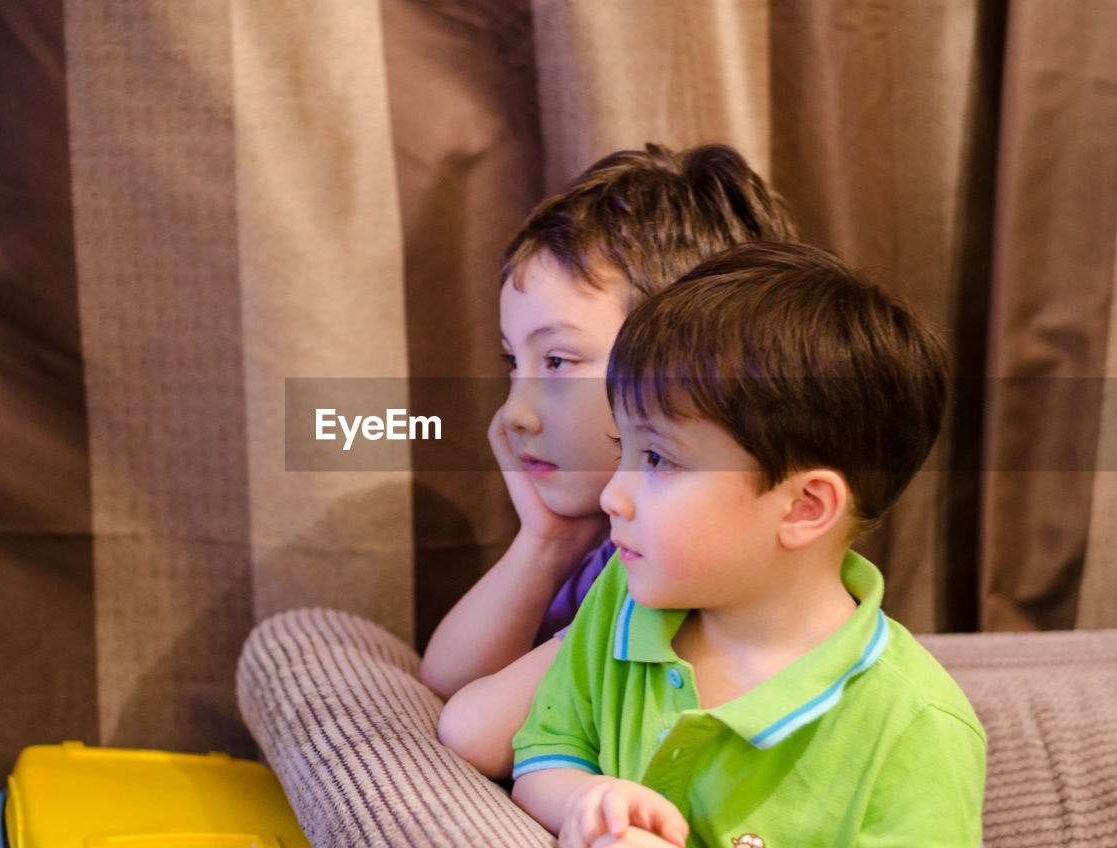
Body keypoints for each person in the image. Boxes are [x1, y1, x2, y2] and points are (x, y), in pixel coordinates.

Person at [510, 242, 986, 848]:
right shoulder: (622, 602)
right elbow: (546, 750)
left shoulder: (916, 728)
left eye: (656, 458)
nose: (613, 495)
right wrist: (589, 801)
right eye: (620, 448)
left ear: (805, 508)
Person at [419, 143, 797, 777]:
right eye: (514, 362)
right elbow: (444, 684)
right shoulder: (596, 540)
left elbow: (475, 730)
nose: (515, 411)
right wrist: (546, 543)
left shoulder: (689, 570)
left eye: (558, 361)